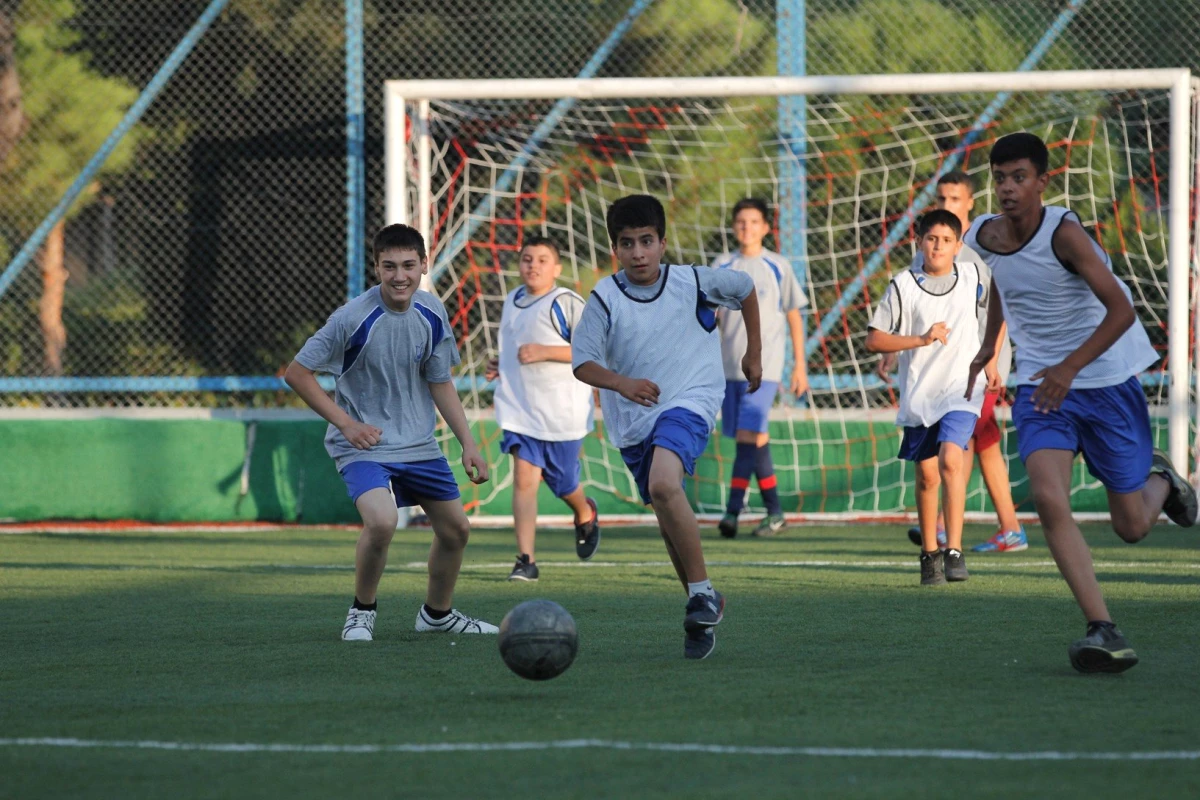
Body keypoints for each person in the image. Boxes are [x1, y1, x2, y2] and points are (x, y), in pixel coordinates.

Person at [965, 131, 1197, 673]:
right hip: (1042, 391)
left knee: (1131, 527)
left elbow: (1121, 310)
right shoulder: (982, 237)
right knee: (1048, 499)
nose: (1007, 188)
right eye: (999, 177)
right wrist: (987, 346)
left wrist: (1070, 368)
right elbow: (1000, 286)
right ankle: (1103, 627)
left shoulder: (1065, 234)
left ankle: (1161, 477)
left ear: (1043, 181)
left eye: (1019, 177)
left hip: (1106, 383)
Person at [284, 224, 497, 641]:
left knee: (457, 531)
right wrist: (346, 424)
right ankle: (362, 611)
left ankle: (437, 614)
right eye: (389, 267)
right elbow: (297, 373)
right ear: (377, 268)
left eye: (408, 266)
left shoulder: (432, 312)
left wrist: (468, 443)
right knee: (382, 523)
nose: (400, 276)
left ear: (422, 265)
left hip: (419, 444)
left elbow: (440, 382)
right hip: (363, 446)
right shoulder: (351, 318)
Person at [572, 194, 762, 659]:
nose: (638, 252)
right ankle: (700, 605)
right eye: (627, 243)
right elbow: (582, 363)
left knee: (663, 484)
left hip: (691, 401)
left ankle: (701, 593)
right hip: (635, 421)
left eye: (647, 241)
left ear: (662, 243)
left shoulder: (692, 281)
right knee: (664, 510)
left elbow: (746, 288)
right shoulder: (605, 296)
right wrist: (623, 384)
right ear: (614, 248)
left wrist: (753, 351)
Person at [880, 172, 1026, 552]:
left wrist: (992, 357)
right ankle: (1009, 528)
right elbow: (911, 309)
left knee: (959, 441)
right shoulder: (929, 249)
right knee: (983, 437)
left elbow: (1001, 302)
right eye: (942, 198)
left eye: (955, 199)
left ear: (971, 204)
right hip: (939, 368)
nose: (947, 206)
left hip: (980, 361)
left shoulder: (979, 248)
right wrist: (892, 348)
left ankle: (945, 529)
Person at [866, 209, 986, 586]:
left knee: (952, 459)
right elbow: (875, 338)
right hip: (922, 392)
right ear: (919, 242)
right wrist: (918, 339)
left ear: (958, 245)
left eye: (946, 240)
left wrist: (993, 358)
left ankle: (954, 549)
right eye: (931, 238)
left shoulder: (973, 276)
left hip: (963, 386)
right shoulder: (903, 285)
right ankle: (929, 553)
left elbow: (997, 314)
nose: (938, 246)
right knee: (927, 475)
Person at [485, 236, 600, 582]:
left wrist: (546, 351)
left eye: (542, 260)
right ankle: (526, 560)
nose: (533, 265)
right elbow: (516, 349)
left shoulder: (566, 302)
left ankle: (584, 511)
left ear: (558, 268)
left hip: (562, 413)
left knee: (563, 483)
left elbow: (594, 349)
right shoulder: (512, 300)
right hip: (520, 410)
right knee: (523, 479)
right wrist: (501, 364)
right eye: (527, 259)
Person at [712, 198, 810, 538]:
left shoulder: (778, 265)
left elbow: (794, 315)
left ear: (766, 228)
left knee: (745, 437)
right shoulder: (722, 265)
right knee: (756, 439)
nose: (746, 228)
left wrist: (800, 366)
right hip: (728, 369)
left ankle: (732, 512)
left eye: (754, 222)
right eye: (741, 221)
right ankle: (775, 512)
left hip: (766, 369)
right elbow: (711, 316)